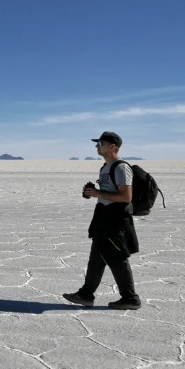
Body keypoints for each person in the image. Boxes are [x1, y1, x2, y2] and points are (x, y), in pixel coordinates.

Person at [63, 131, 142, 310]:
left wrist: (99, 193)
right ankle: (86, 294)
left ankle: (130, 298)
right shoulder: (105, 167)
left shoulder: (120, 167)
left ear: (112, 146)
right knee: (96, 257)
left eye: (101, 143)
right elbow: (109, 193)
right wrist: (93, 193)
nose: (97, 146)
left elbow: (126, 196)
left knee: (117, 258)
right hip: (103, 217)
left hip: (115, 220)